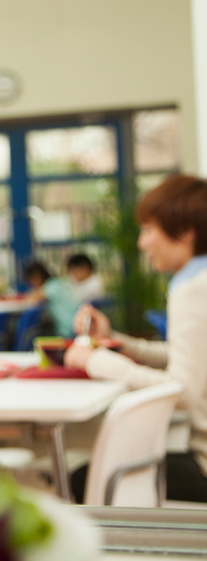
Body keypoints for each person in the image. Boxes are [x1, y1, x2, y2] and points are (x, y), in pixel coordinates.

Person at [65, 174, 207, 503]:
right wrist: (116, 341)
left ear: (185, 232)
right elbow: (190, 357)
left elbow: (183, 390)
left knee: (83, 478)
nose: (142, 243)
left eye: (148, 230)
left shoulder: (192, 288)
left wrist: (96, 361)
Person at [23, 260, 79, 337]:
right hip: (72, 329)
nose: (31, 285)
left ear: (37, 277)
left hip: (68, 332)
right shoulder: (58, 283)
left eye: (31, 281)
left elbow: (32, 298)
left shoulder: (52, 286)